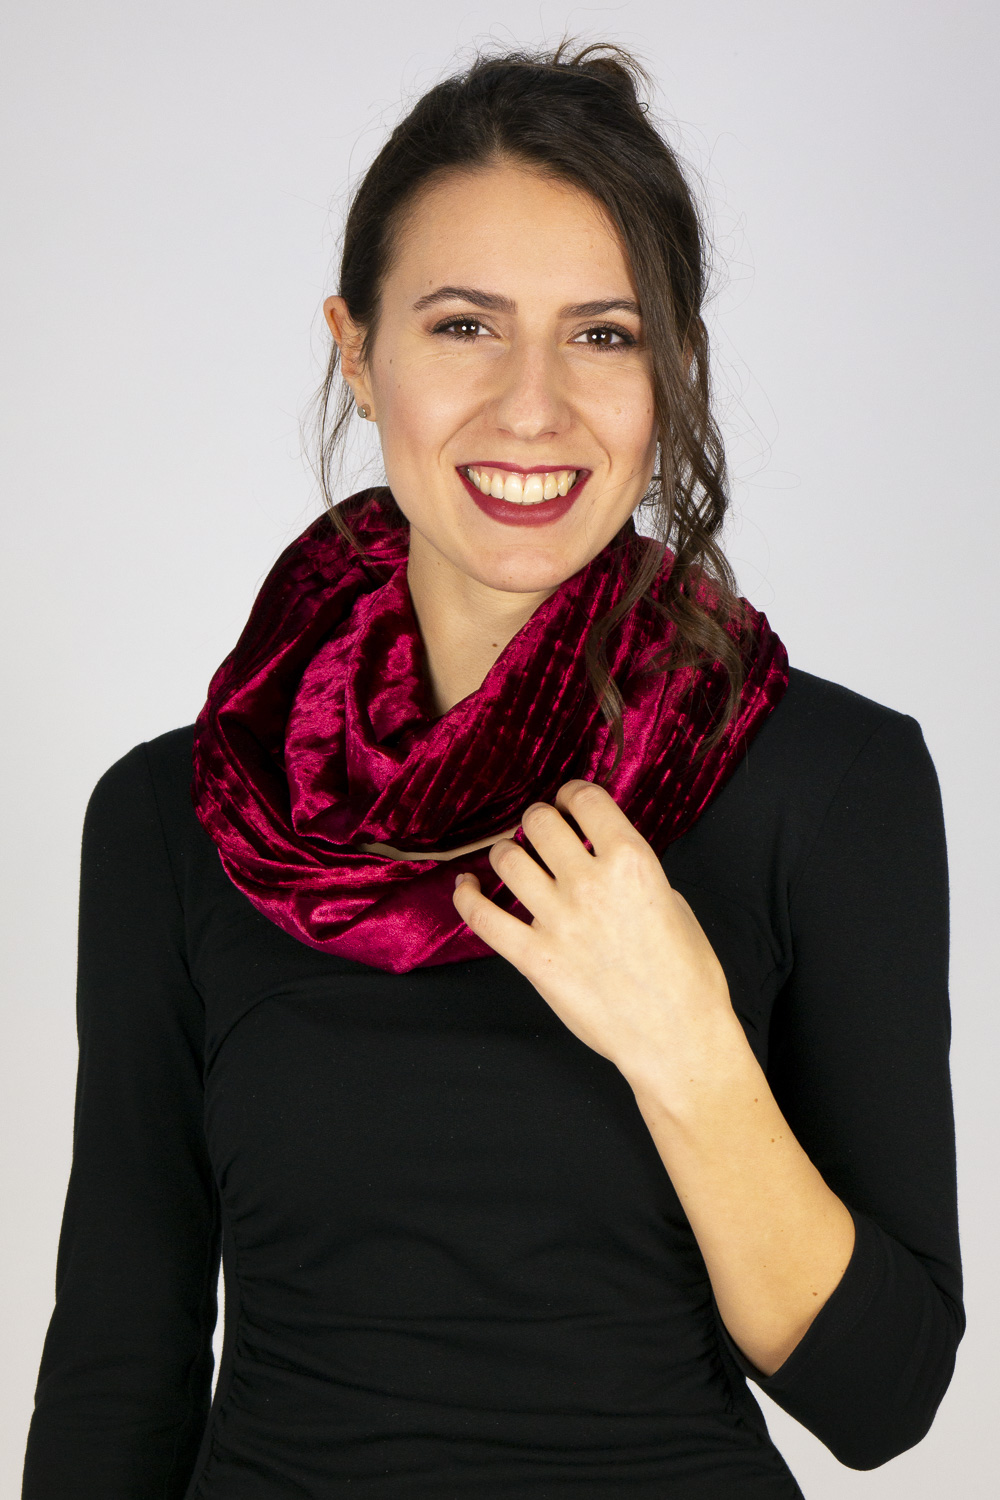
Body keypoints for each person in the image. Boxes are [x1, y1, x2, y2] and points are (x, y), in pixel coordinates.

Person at [21, 39, 963, 1500]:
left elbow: (881, 1397)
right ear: (357, 350)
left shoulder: (830, 783)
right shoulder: (180, 816)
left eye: (604, 334)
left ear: (673, 367)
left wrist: (684, 1039)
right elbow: (117, 1370)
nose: (533, 407)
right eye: (465, 325)